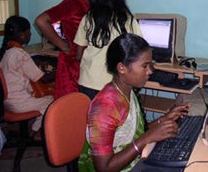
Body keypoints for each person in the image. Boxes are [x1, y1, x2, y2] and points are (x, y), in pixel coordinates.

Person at [78, 33, 190, 172]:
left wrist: (164, 119)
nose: (150, 71)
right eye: (144, 66)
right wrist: (146, 138)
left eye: (151, 65)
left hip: (132, 160)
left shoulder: (127, 90)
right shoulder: (105, 108)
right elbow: (104, 168)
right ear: (122, 68)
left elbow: (130, 133)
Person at [35, 0, 102, 99]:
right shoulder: (72, 3)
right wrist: (63, 45)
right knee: (71, 108)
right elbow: (41, 21)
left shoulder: (88, 5)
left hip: (84, 66)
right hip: (71, 68)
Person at [74, 0, 142, 100]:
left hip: (88, 81)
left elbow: (78, 54)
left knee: (91, 119)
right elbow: (138, 53)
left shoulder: (88, 18)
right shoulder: (127, 20)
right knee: (113, 120)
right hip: (116, 83)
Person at [0, 16, 55, 139]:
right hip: (19, 103)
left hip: (5, 102)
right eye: (29, 32)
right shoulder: (20, 54)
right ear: (21, 35)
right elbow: (43, 79)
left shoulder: (6, 51)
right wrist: (60, 71)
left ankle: (33, 129)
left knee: (42, 93)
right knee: (54, 100)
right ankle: (35, 131)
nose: (30, 34)